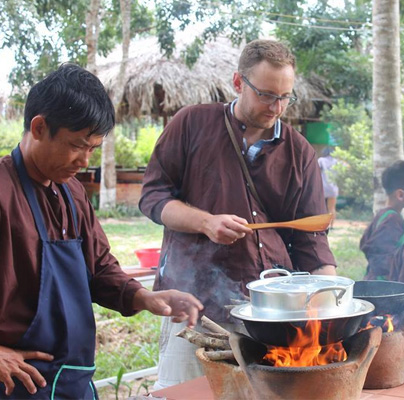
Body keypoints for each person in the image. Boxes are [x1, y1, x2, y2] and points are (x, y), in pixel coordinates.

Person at [139, 39, 336, 389]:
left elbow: (310, 239)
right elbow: (153, 197)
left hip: (270, 311)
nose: (276, 107)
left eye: (285, 97)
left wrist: (332, 301)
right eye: (266, 95)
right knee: (184, 394)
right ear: (238, 82)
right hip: (194, 302)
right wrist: (206, 222)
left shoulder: (299, 151)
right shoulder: (191, 124)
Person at [0, 64, 204, 399]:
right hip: (17, 384)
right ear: (39, 127)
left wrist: (145, 298)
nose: (85, 160)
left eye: (93, 148)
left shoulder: (73, 192)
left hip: (73, 379)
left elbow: (99, 269)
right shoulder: (4, 191)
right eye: (77, 145)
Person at [360, 161, 404, 280]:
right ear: (400, 194)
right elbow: (378, 257)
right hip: (383, 290)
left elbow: (364, 243)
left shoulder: (382, 215)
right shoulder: (393, 220)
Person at [318, 147, 339, 228]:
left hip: (322, 188)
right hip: (333, 187)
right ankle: (332, 226)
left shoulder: (321, 160)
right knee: (332, 208)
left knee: (321, 208)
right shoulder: (336, 161)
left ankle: (323, 225)